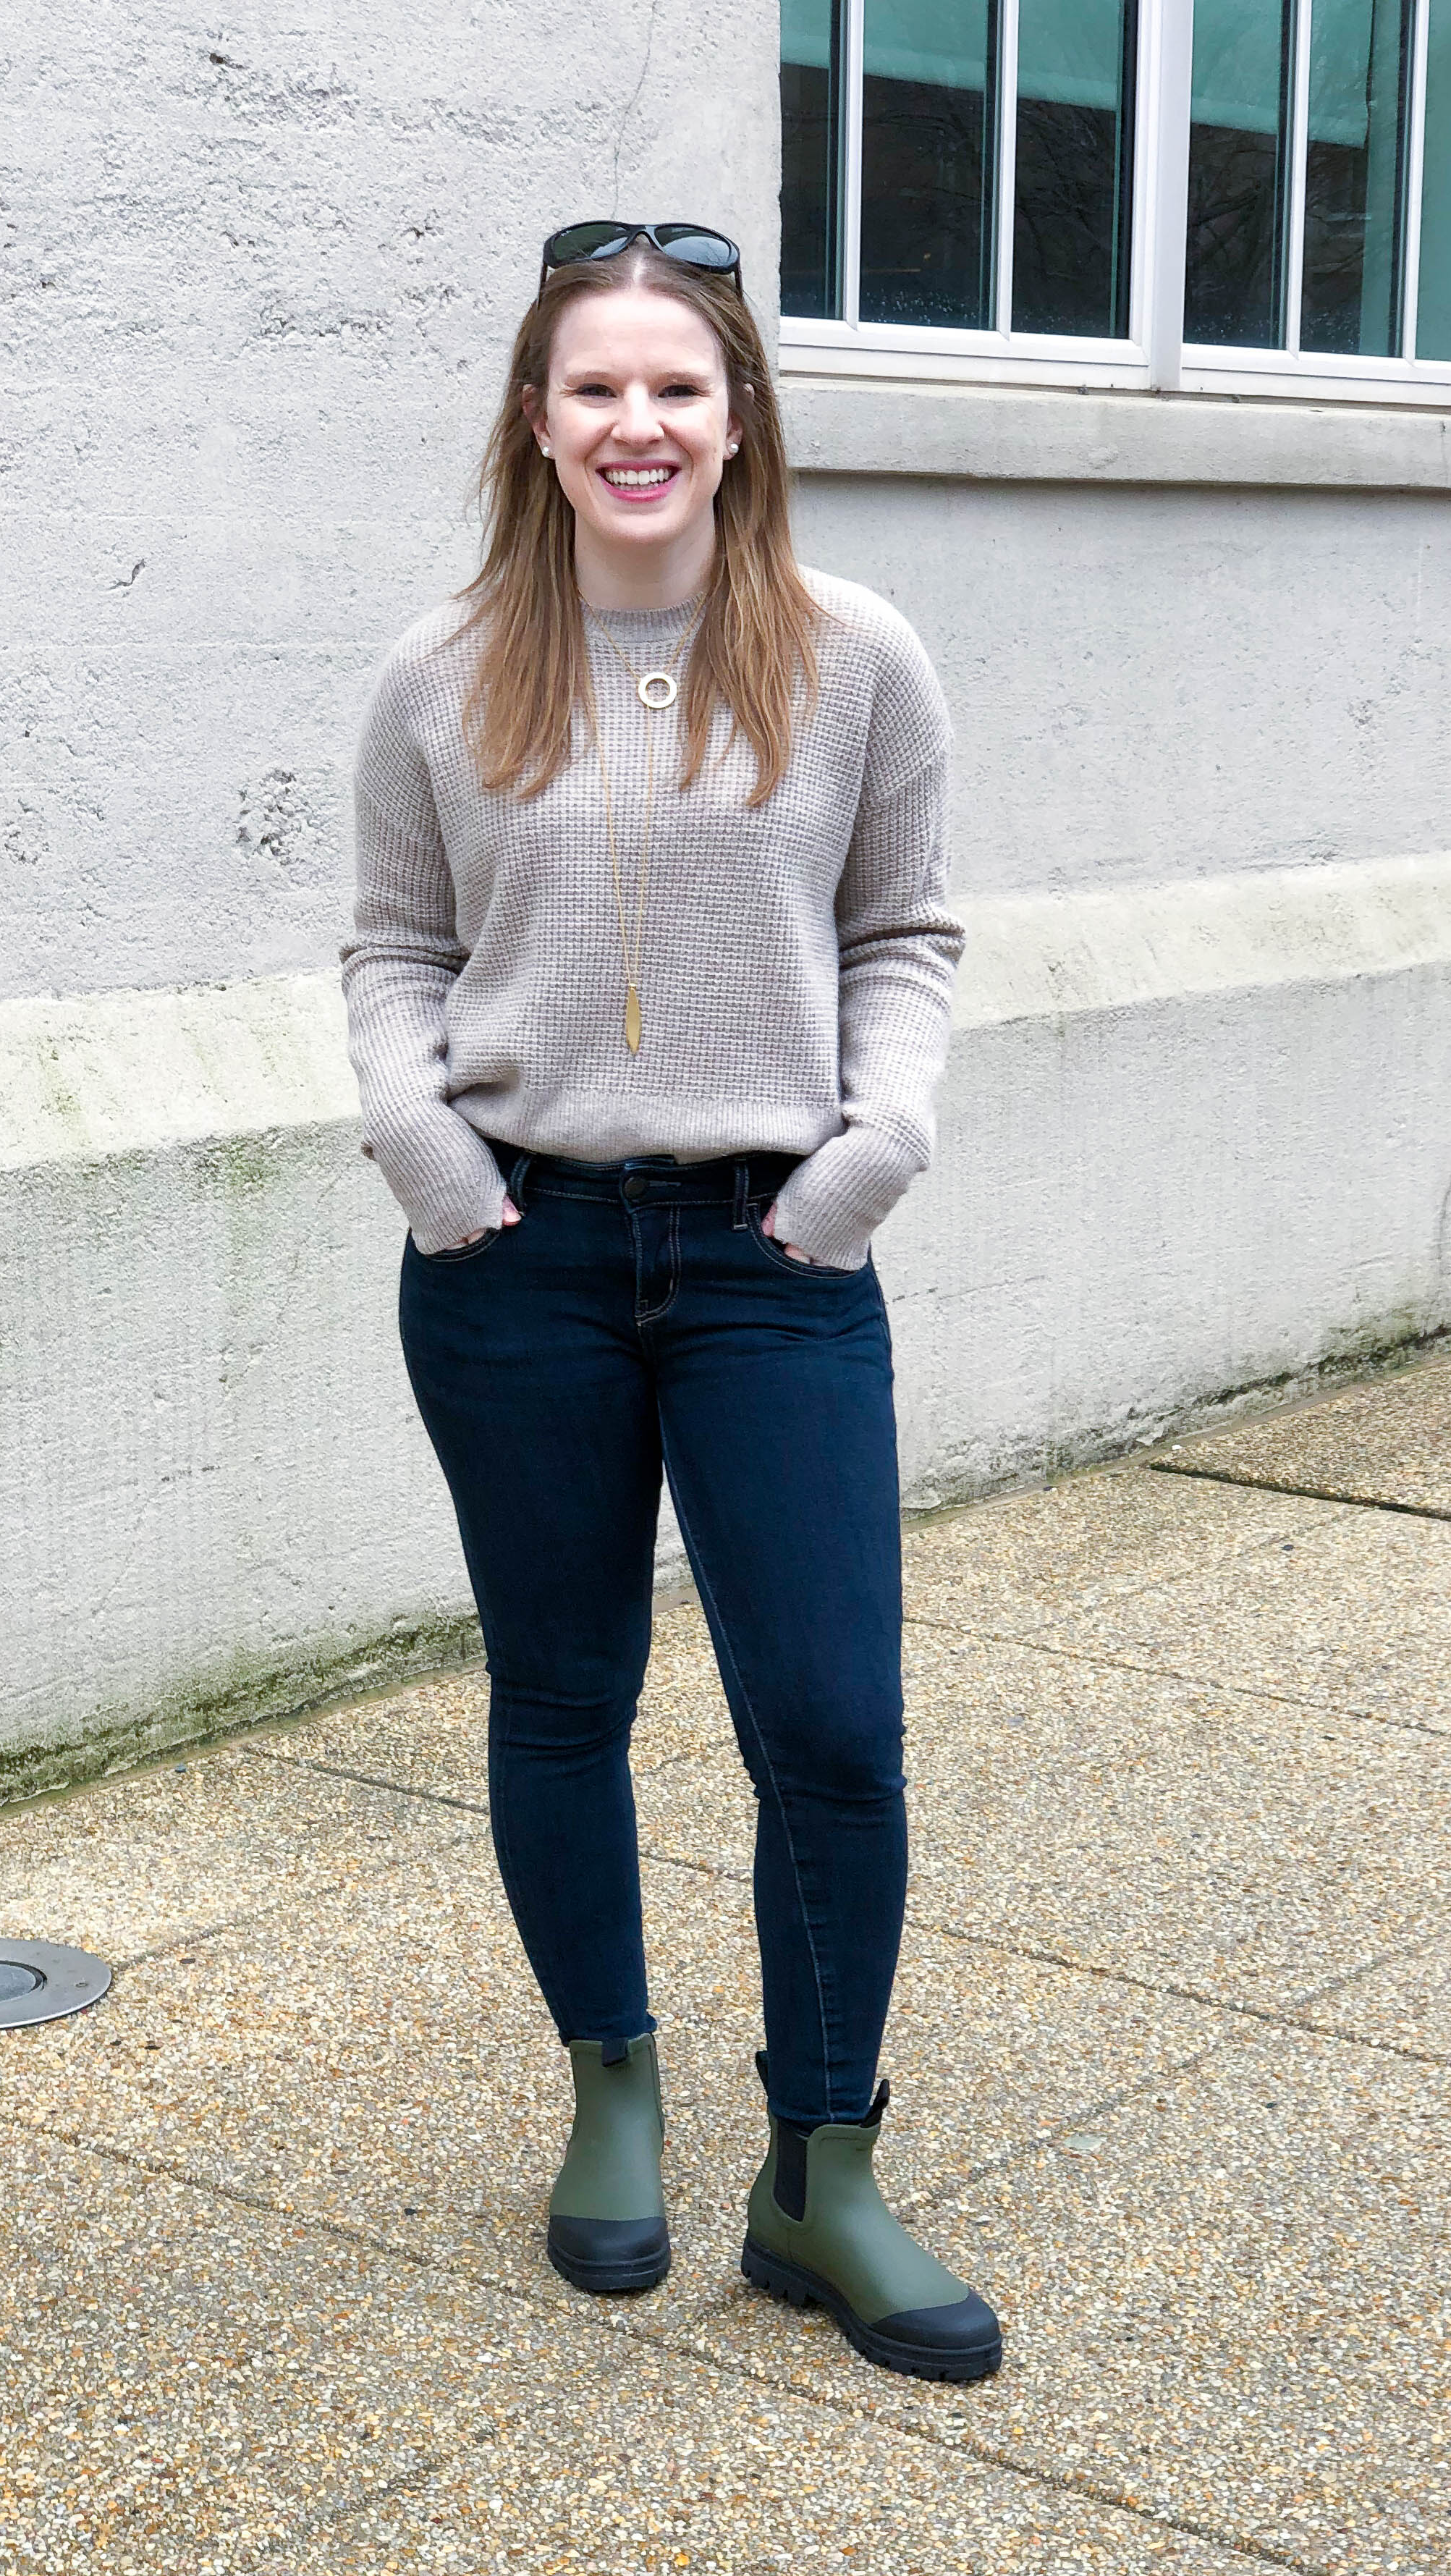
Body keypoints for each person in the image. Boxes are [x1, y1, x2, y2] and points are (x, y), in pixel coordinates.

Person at [341, 219, 1000, 2383]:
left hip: (769, 1254)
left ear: (739, 422)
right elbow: (392, 947)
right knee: (563, 1699)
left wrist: (871, 1149)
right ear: (537, 420)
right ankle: (611, 2088)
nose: (638, 423)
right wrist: (425, 1150)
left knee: (832, 1727)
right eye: (596, 386)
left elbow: (907, 926)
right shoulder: (444, 669)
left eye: (678, 388)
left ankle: (821, 2168)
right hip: (515, 1255)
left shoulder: (853, 653)